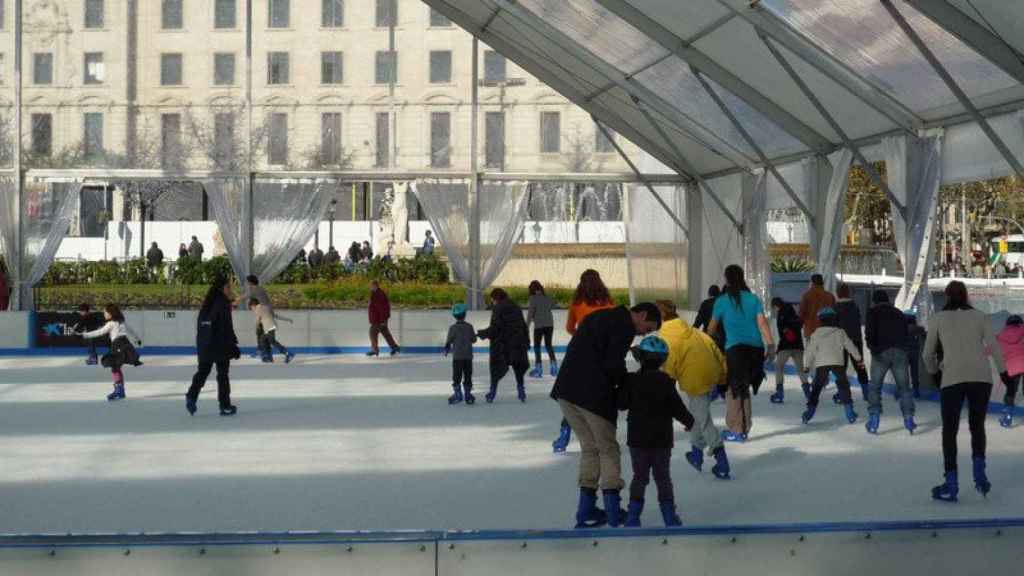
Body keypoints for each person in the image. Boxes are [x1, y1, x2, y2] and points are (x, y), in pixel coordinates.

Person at [550, 302, 662, 528]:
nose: (643, 334)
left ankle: (586, 510)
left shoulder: (600, 317)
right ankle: (612, 510)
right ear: (640, 314)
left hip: (566, 392)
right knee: (608, 449)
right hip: (592, 395)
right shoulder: (623, 326)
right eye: (647, 328)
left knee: (590, 449)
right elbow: (613, 364)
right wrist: (626, 387)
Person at [924, 281, 1010, 501]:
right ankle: (980, 474)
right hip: (981, 377)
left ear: (947, 296)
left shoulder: (938, 319)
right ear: (966, 296)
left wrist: (935, 374)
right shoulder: (980, 316)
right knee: (977, 426)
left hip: (952, 377)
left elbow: (927, 355)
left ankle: (951, 483)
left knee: (949, 431)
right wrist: (1003, 373)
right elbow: (994, 346)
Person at [617, 335, 694, 528]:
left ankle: (633, 517)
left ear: (640, 358)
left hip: (637, 439)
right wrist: (689, 422)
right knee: (663, 478)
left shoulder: (631, 380)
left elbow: (621, 404)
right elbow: (678, 408)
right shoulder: (667, 382)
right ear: (663, 360)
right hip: (662, 440)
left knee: (639, 477)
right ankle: (669, 517)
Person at [657, 300, 730, 480]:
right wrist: (722, 375)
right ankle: (696, 453)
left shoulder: (666, 337)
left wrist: (662, 387)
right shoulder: (693, 331)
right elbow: (713, 347)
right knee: (698, 412)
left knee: (704, 420)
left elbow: (668, 364)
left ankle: (722, 461)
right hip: (709, 373)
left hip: (695, 379)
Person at [707, 265, 774, 442]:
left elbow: (711, 328)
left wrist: (708, 342)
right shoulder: (753, 299)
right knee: (743, 389)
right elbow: (763, 324)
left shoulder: (721, 301)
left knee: (734, 389)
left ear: (726, 279)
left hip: (735, 349)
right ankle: (743, 427)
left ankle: (737, 430)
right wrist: (771, 345)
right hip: (756, 349)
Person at [553, 269, 616, 454]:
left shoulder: (576, 303)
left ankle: (564, 433)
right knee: (600, 394)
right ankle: (603, 436)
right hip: (603, 355)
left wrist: (582, 337)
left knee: (573, 396)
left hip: (579, 355)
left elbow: (569, 328)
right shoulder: (610, 303)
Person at [186, 276, 241, 416]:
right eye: (228, 287)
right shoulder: (222, 303)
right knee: (222, 375)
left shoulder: (207, 303)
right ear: (221, 288)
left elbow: (202, 327)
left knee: (202, 372)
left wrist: (203, 344)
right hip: (219, 344)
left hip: (204, 344)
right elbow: (225, 327)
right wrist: (232, 345)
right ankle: (225, 405)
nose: (230, 289)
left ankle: (191, 396)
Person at [864, 290, 915, 434]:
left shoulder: (873, 312)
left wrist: (873, 349)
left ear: (875, 301)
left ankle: (874, 418)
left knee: (874, 387)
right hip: (900, 352)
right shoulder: (899, 313)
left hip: (881, 352)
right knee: (904, 387)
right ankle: (909, 418)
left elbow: (869, 333)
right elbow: (906, 333)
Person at [801, 307, 862, 425]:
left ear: (820, 320)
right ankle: (850, 414)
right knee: (844, 387)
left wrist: (806, 365)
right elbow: (850, 346)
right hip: (837, 363)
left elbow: (810, 351)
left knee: (816, 389)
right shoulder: (840, 332)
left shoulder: (816, 333)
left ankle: (808, 414)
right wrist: (858, 358)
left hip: (822, 364)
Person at [476, 288, 531, 403]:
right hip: (518, 343)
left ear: (496, 298)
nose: (492, 302)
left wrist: (482, 333)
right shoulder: (516, 307)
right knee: (518, 367)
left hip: (503, 345)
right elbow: (523, 325)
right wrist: (527, 341)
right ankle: (521, 391)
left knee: (496, 368)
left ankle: (492, 392)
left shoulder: (498, 309)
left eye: (492, 300)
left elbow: (496, 328)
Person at [78, 304, 142, 401]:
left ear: (111, 313)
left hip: (118, 345)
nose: (104, 314)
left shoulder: (111, 323)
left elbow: (99, 332)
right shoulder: (121, 322)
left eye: (105, 312)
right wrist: (137, 339)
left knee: (115, 367)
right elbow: (131, 331)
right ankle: (120, 390)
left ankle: (119, 390)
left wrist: (84, 335)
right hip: (126, 344)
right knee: (116, 367)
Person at [769, 297, 809, 404]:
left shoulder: (781, 316)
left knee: (779, 367)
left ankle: (779, 392)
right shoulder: (795, 315)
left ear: (776, 306)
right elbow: (799, 326)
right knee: (800, 370)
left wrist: (779, 348)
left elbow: (783, 334)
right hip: (798, 346)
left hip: (786, 347)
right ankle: (808, 394)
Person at [444, 303, 477, 405]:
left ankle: (458, 394)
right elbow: (474, 339)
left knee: (457, 375)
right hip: (468, 356)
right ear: (465, 314)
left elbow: (449, 341)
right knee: (468, 375)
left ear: (454, 315)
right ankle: (467, 394)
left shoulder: (452, 328)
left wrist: (446, 350)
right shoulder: (469, 327)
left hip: (457, 357)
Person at [996, 315, 1024, 428]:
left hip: (1012, 368)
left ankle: (1007, 419)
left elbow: (988, 350)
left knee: (1011, 392)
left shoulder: (999, 336)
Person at [526, 280, 558, 378]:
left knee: (537, 347)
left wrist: (526, 326)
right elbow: (553, 304)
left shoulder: (532, 298)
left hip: (539, 326)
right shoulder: (547, 297)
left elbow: (530, 313)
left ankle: (538, 370)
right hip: (549, 324)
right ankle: (554, 367)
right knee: (549, 345)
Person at [249, 298, 295, 364]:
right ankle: (269, 357)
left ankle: (288, 354)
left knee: (271, 341)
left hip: (269, 327)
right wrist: (287, 319)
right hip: (271, 327)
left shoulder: (257, 308)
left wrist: (256, 327)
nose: (252, 310)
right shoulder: (266, 307)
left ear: (253, 305)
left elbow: (258, 319)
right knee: (263, 340)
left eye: (251, 308)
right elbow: (275, 316)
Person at [367, 280, 401, 356]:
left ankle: (374, 350)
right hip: (379, 319)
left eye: (371, 285)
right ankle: (395, 348)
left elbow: (382, 308)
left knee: (372, 333)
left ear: (375, 285)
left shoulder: (379, 294)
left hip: (378, 320)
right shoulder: (375, 293)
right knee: (386, 334)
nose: (370, 287)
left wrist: (383, 320)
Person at [799, 273, 835, 338]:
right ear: (822, 283)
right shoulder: (830, 296)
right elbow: (834, 315)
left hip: (811, 331)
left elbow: (801, 313)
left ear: (812, 283)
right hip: (826, 332)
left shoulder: (806, 295)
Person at [693, 285, 725, 350]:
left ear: (709, 294)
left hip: (708, 337)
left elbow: (698, 321)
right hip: (722, 338)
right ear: (719, 293)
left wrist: (692, 332)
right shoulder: (723, 303)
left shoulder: (705, 303)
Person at [905, 311, 926, 399]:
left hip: (904, 353)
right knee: (914, 372)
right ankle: (916, 392)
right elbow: (924, 333)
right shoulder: (918, 328)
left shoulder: (901, 328)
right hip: (915, 353)